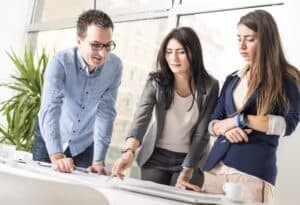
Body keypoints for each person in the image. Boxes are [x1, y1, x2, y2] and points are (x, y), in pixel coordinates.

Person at [178, 10, 300, 203]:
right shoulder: (233, 79)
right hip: (215, 171)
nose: (241, 46)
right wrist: (225, 129)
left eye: (250, 39)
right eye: (239, 39)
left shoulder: (287, 79)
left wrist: (238, 121)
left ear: (266, 40)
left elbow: (288, 125)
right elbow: (213, 123)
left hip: (251, 174)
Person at [112, 27, 219, 187]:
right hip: (156, 158)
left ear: (194, 53)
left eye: (181, 52)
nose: (173, 58)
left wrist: (187, 170)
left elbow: (202, 133)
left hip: (190, 159)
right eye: (169, 52)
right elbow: (141, 119)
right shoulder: (157, 82)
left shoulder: (210, 86)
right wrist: (129, 152)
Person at [32, 9, 123, 174]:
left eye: (108, 46)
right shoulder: (60, 62)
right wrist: (57, 156)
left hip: (83, 144)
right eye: (95, 45)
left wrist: (98, 160)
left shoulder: (114, 67)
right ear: (79, 41)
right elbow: (50, 108)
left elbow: (106, 112)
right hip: (50, 138)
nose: (102, 53)